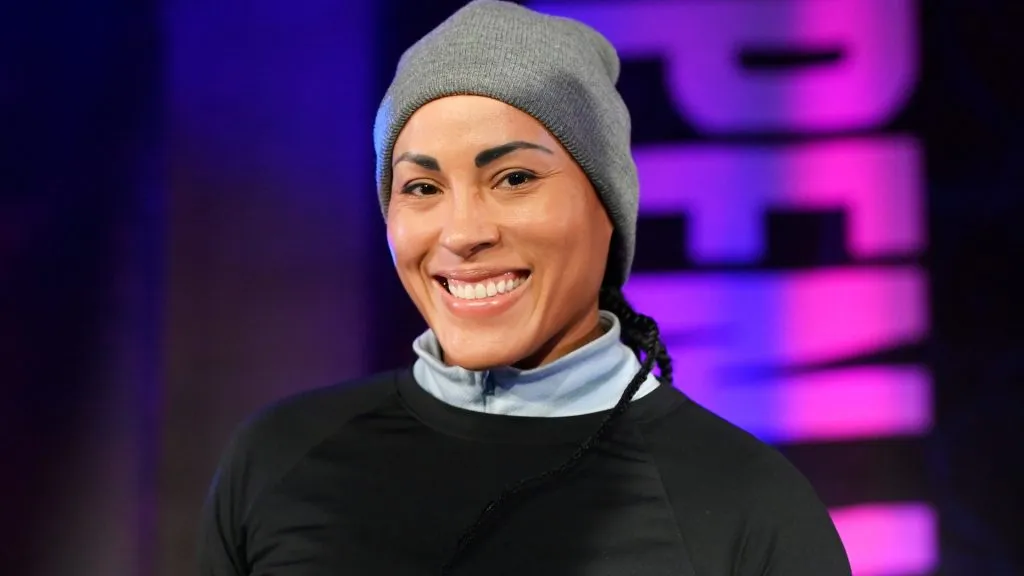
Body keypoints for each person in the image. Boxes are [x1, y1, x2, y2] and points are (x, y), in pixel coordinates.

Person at [197, 1, 852, 574]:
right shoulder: (279, 460)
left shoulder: (748, 507)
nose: (463, 232)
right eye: (422, 188)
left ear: (609, 207)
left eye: (513, 179)